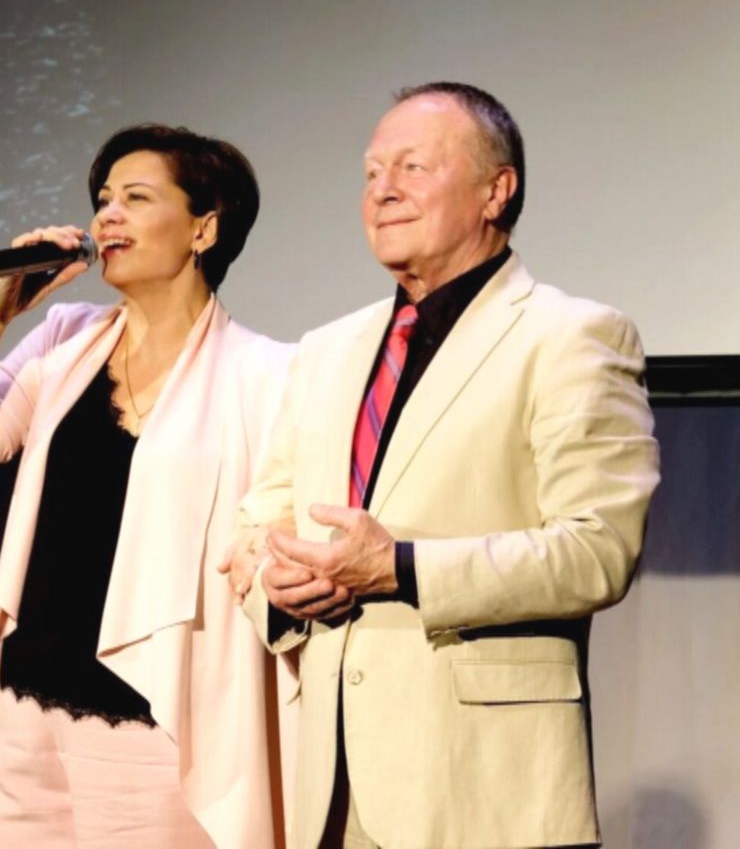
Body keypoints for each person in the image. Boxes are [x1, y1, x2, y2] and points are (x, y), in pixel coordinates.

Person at [221, 83, 660, 848]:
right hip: (335, 787)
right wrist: (274, 580)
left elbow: (598, 549)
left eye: (412, 167)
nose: (382, 190)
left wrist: (397, 567)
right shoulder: (327, 349)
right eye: (371, 172)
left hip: (483, 788)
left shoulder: (572, 336)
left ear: (497, 190)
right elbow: (260, 518)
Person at [0, 124, 294, 848]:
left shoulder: (266, 374)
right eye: (102, 200)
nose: (107, 217)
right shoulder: (67, 338)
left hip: (152, 724)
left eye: (136, 198)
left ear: (204, 228)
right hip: (25, 707)